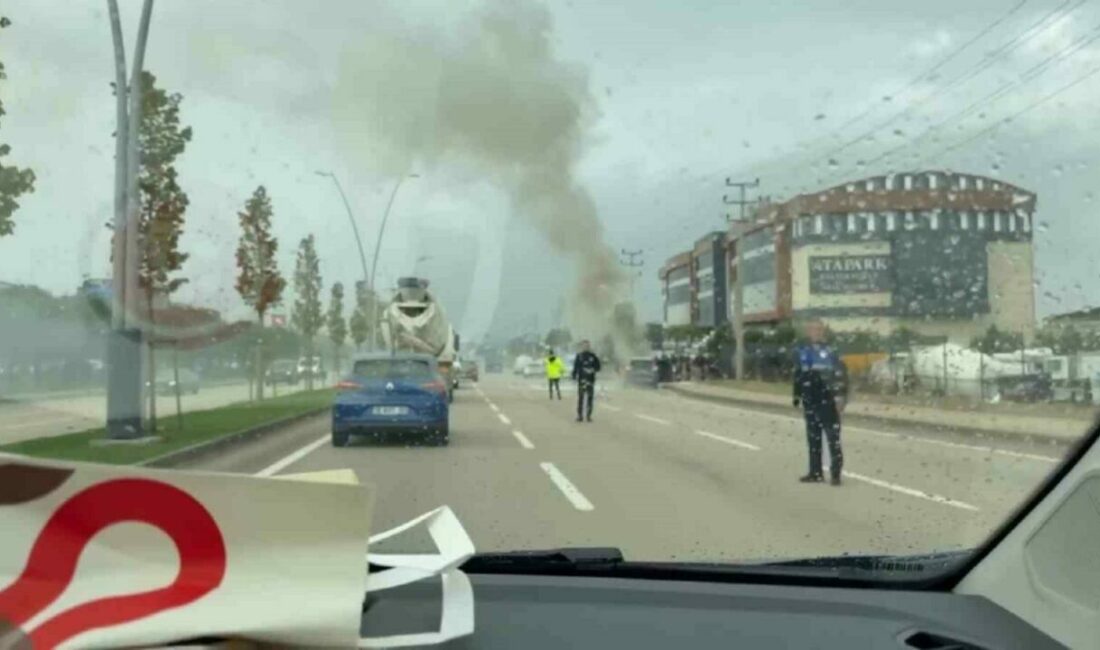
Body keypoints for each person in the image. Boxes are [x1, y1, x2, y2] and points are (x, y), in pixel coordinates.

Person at [792, 319, 849, 486]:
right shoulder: (803, 351)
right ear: (808, 332)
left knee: (833, 438)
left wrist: (840, 397)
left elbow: (841, 375)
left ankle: (836, 473)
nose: (815, 332)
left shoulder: (831, 351)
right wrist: (796, 395)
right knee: (813, 438)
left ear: (823, 332)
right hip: (810, 399)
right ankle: (815, 472)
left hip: (828, 400)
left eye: (818, 330)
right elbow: (798, 374)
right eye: (812, 329)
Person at [572, 340, 602, 422]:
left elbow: (598, 367)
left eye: (587, 345)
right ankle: (580, 415)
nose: (586, 347)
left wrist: (593, 370)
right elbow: (575, 367)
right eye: (584, 345)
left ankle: (588, 415)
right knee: (581, 398)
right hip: (582, 380)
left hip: (590, 380)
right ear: (582, 347)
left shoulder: (593, 356)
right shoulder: (579, 356)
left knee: (590, 398)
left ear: (589, 346)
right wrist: (574, 375)